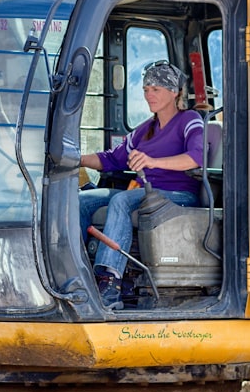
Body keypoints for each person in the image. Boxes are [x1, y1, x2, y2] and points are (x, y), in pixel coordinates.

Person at [78, 60, 205, 308]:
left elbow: (196, 157)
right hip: (144, 192)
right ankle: (78, 269)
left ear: (174, 92)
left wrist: (152, 162)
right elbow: (111, 159)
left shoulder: (190, 120)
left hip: (178, 195)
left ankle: (109, 282)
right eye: (146, 89)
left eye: (156, 89)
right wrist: (76, 159)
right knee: (82, 200)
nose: (149, 95)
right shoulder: (145, 129)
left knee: (121, 200)